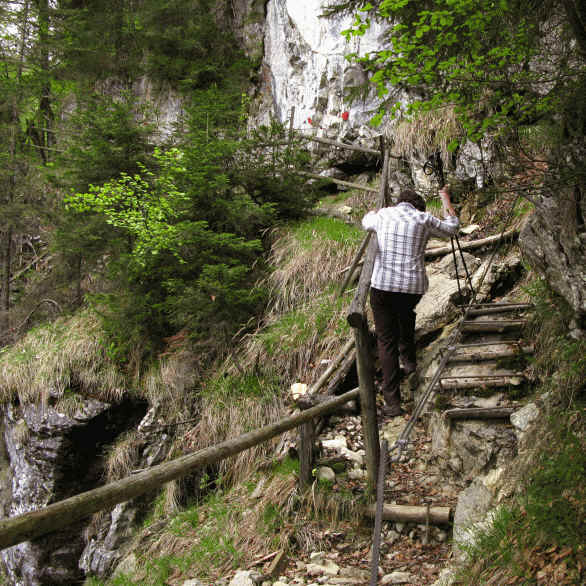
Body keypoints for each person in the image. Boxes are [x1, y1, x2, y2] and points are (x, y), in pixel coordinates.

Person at [362, 186, 459, 417]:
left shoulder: (384, 214)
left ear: (399, 203)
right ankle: (409, 359)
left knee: (386, 341)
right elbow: (453, 229)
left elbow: (366, 221)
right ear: (418, 206)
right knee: (406, 312)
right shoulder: (423, 218)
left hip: (383, 285)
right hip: (411, 287)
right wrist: (445, 199)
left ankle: (393, 403)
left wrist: (374, 212)